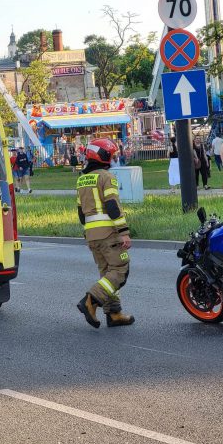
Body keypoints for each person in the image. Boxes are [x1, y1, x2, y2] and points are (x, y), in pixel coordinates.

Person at [76, 138, 134, 328]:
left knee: (107, 274)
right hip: (109, 234)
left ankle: (114, 313)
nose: (113, 157)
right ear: (103, 156)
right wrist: (123, 232)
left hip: (92, 236)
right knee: (120, 270)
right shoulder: (106, 177)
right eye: (111, 154)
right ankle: (91, 300)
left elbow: (81, 214)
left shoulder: (82, 180)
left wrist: (90, 231)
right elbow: (112, 205)